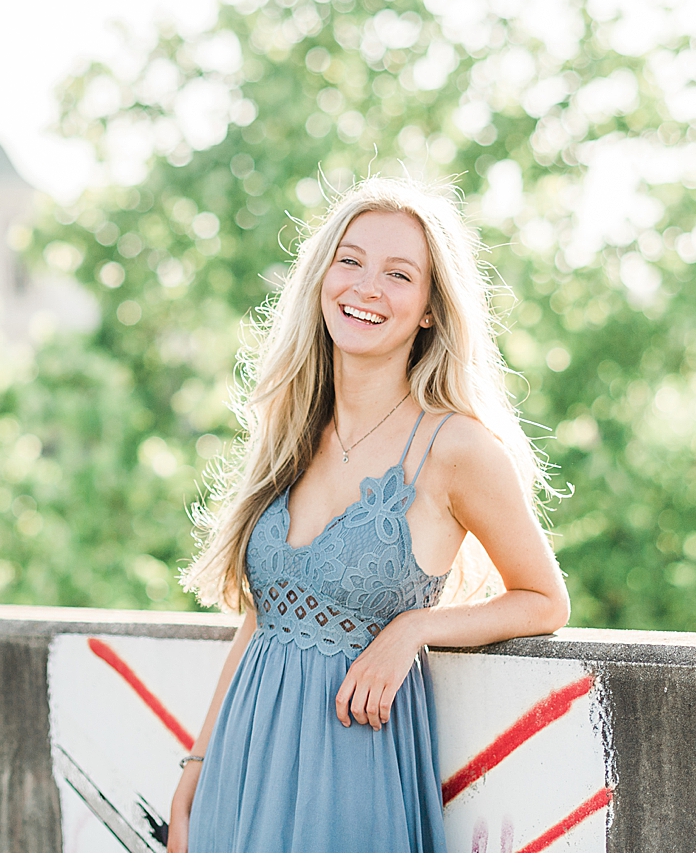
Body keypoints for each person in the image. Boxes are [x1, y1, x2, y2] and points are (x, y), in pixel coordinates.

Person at [167, 178, 571, 853]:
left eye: (398, 274)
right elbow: (262, 618)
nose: (365, 287)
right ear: (322, 277)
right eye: (349, 261)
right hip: (239, 772)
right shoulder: (296, 427)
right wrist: (196, 766)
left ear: (430, 310)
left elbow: (544, 600)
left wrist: (414, 628)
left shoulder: (456, 448)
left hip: (350, 779)